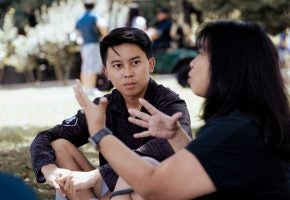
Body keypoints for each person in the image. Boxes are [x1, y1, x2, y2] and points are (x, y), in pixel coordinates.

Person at [70, 20, 290, 199]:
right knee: (144, 170)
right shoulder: (245, 121)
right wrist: (176, 135)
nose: (192, 62)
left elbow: (153, 186)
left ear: (227, 66)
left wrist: (100, 132)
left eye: (201, 53)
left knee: (140, 179)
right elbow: (208, 169)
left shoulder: (237, 130)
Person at [30, 27, 192, 200]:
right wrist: (49, 169)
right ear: (107, 72)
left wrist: (95, 176)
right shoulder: (104, 106)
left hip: (157, 188)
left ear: (150, 64)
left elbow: (164, 149)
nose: (128, 73)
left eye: (135, 62)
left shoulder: (170, 103)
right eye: (118, 65)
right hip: (112, 186)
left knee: (143, 167)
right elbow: (46, 137)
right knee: (60, 145)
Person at [75, 0, 108, 95]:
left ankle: (85, 88)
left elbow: (77, 33)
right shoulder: (94, 16)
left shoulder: (80, 18)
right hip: (94, 44)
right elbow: (103, 25)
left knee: (85, 66)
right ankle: (91, 88)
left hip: (84, 45)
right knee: (93, 66)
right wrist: (104, 36)